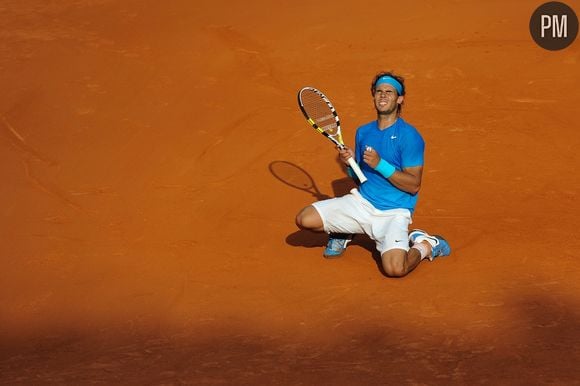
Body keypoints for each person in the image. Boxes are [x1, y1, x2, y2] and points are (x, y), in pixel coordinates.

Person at [295, 71, 451, 277]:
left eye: (389, 92)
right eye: (379, 91)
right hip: (362, 204)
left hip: (394, 212)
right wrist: (350, 164)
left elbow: (413, 185)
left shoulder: (410, 136)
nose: (383, 95)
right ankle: (344, 230)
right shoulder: (363, 132)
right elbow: (361, 176)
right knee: (305, 219)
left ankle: (426, 244)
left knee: (396, 269)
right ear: (374, 96)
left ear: (400, 99)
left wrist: (380, 164)